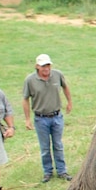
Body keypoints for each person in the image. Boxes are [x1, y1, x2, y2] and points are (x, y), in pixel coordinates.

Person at [22, 53, 74, 182]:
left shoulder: (57, 75)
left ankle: (62, 171)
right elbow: (25, 99)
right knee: (45, 147)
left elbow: (65, 87)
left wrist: (69, 102)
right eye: (43, 66)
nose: (46, 68)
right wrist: (27, 119)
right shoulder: (30, 80)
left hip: (56, 116)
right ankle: (48, 172)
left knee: (58, 144)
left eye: (48, 65)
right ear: (37, 66)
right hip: (41, 118)